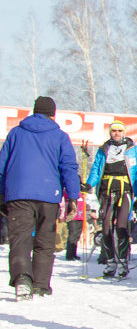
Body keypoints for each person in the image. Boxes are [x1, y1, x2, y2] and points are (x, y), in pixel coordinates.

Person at [0, 96, 81, 297]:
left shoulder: (16, 133)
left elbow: (1, 166)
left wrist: (2, 194)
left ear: (34, 112)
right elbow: (69, 167)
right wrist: (72, 197)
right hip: (48, 195)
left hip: (18, 194)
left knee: (20, 238)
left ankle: (22, 278)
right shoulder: (60, 136)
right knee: (45, 240)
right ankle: (40, 284)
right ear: (53, 114)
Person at [83, 119, 137, 278]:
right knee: (105, 226)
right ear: (110, 133)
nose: (117, 133)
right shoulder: (103, 149)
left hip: (124, 191)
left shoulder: (133, 149)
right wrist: (88, 184)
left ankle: (123, 262)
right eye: (114, 131)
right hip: (106, 191)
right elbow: (97, 170)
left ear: (123, 132)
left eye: (119, 131)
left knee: (121, 226)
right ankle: (110, 261)